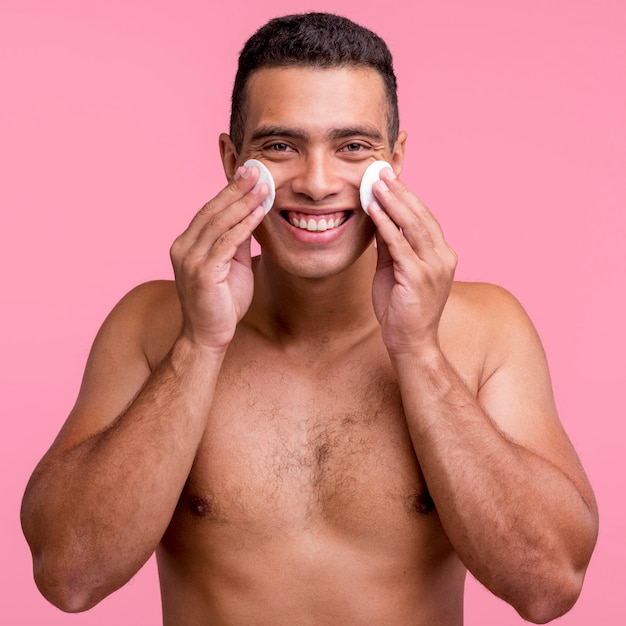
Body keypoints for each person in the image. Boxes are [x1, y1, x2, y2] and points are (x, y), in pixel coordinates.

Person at [21, 12, 598, 625]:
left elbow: (547, 586)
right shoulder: (150, 325)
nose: (318, 183)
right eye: (280, 146)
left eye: (352, 147)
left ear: (395, 160)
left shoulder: (486, 330)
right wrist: (199, 344)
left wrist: (420, 352)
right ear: (230, 160)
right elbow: (69, 575)